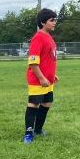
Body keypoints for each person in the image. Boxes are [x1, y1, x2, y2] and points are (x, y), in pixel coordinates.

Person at [22, 8, 59, 144]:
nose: (54, 22)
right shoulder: (38, 38)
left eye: (55, 20)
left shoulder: (49, 37)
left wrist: (52, 75)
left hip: (48, 80)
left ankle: (38, 129)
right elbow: (33, 62)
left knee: (47, 103)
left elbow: (48, 59)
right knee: (34, 104)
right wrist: (42, 77)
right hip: (38, 80)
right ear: (43, 22)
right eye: (52, 20)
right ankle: (28, 134)